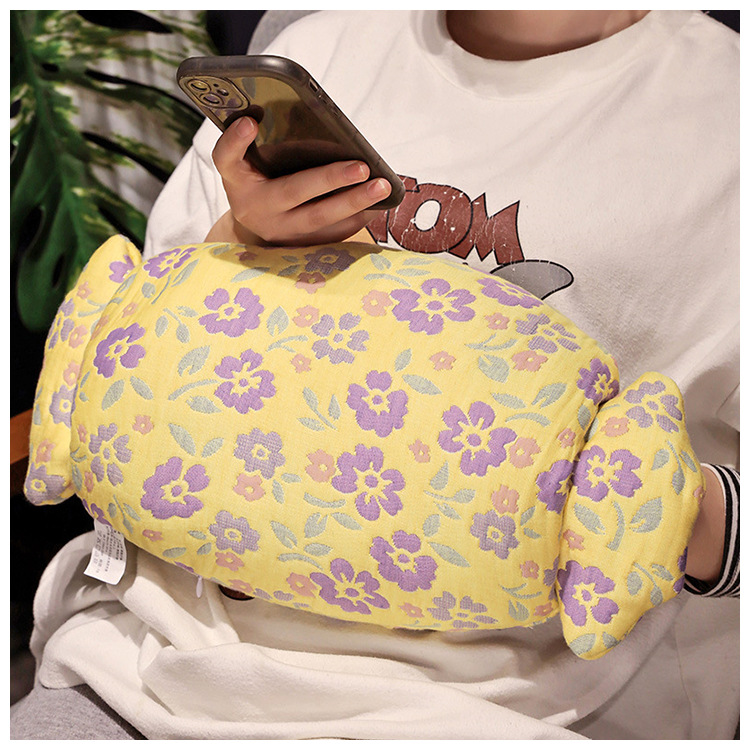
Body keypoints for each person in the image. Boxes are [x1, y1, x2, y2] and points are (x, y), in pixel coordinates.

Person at [13, 10, 738, 740]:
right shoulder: (319, 49)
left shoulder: (720, 114)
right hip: (164, 651)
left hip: (504, 708)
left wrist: (669, 516)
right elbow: (138, 378)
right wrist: (241, 243)